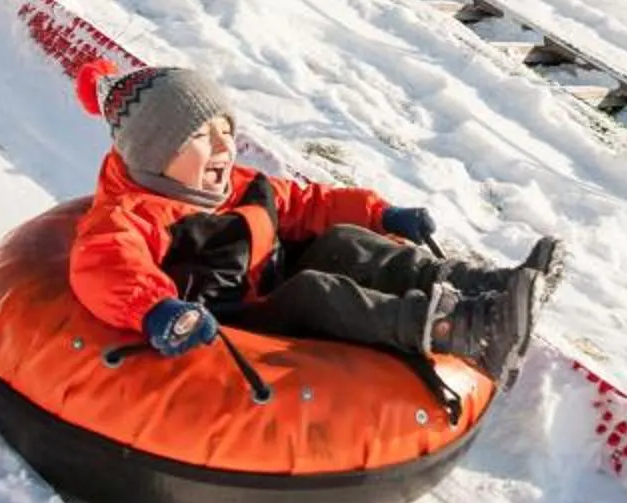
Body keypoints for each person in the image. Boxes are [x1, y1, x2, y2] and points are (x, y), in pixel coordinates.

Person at [66, 59, 556, 391]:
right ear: (155, 156)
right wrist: (157, 311)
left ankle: (494, 289)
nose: (222, 148)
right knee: (314, 292)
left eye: (226, 131)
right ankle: (466, 330)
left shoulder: (238, 185)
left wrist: (379, 212)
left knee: (346, 242)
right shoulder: (132, 215)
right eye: (199, 136)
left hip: (267, 286)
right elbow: (105, 266)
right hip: (228, 329)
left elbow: (308, 201)